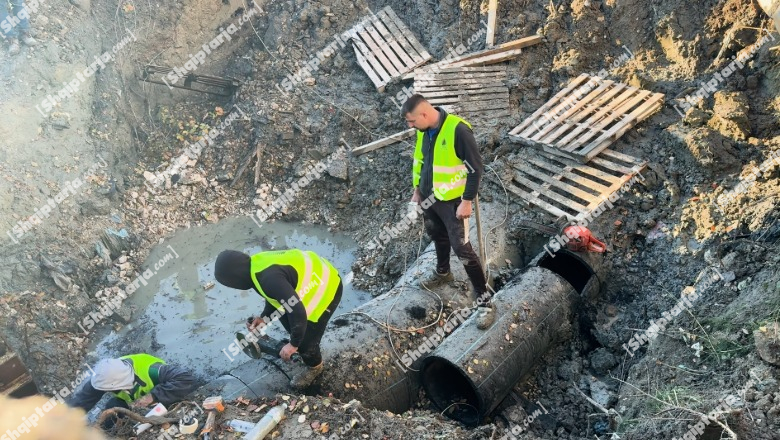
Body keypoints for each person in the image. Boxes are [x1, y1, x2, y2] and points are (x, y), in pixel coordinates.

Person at [401, 94, 494, 329]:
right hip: (429, 198)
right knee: (437, 236)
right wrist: (416, 192)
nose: (410, 127)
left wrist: (467, 201)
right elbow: (420, 162)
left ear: (424, 114)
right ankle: (443, 273)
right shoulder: (423, 131)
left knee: (462, 248)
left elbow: (475, 168)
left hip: (452, 201)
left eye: (412, 121)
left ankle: (485, 303)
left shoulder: (458, 130)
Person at [214, 249, 342, 389]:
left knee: (305, 342)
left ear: (236, 279)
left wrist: (294, 344)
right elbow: (274, 296)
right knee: (289, 321)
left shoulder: (268, 278)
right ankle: (299, 345)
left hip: (327, 287)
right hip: (314, 277)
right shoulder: (255, 267)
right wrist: (264, 318)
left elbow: (298, 311)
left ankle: (315, 367)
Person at [67, 354, 197, 429]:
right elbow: (82, 401)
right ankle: (109, 433)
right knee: (112, 405)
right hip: (133, 404)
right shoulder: (104, 377)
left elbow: (186, 378)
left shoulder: (151, 370)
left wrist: (153, 396)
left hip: (163, 397)